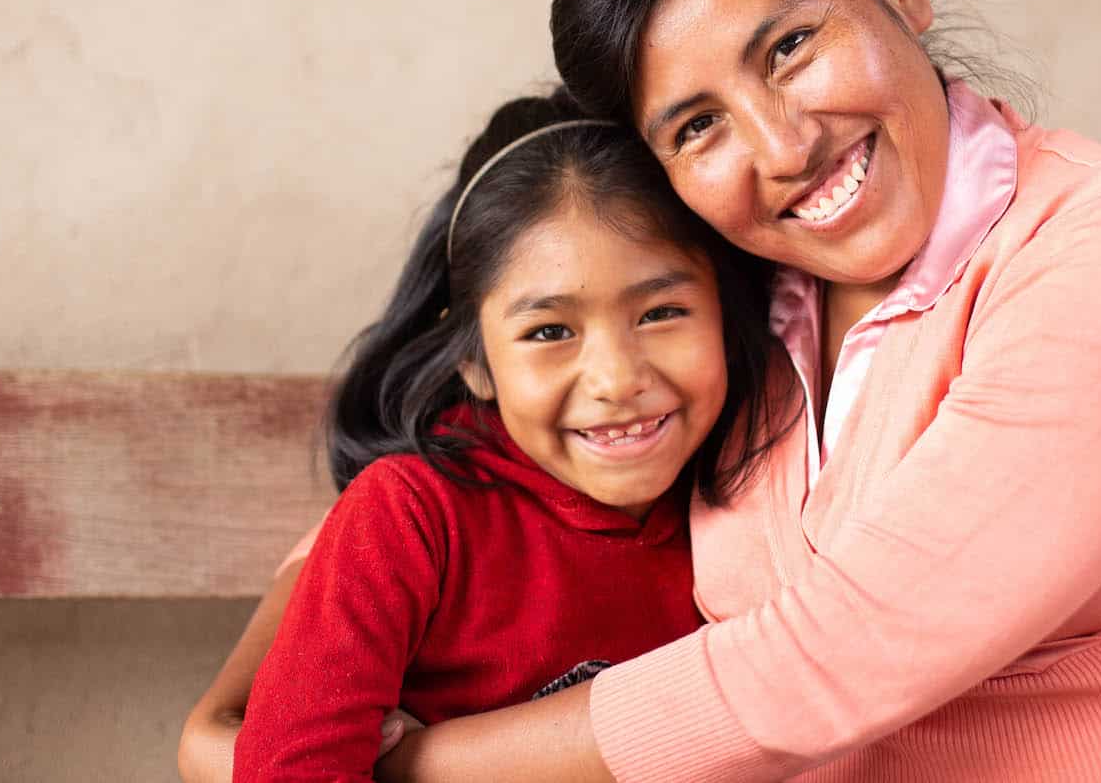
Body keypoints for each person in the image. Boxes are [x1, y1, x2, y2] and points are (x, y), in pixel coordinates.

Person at [186, 0, 1101, 781]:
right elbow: (471, 501)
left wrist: (406, 758)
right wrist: (267, 709)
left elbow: (830, 662)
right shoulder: (727, 313)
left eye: (791, 45)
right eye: (695, 125)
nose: (783, 144)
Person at [227, 92, 793, 781]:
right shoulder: (409, 516)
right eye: (550, 331)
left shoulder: (760, 497)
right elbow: (290, 767)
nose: (616, 378)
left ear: (725, 314)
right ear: (475, 362)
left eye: (663, 311)